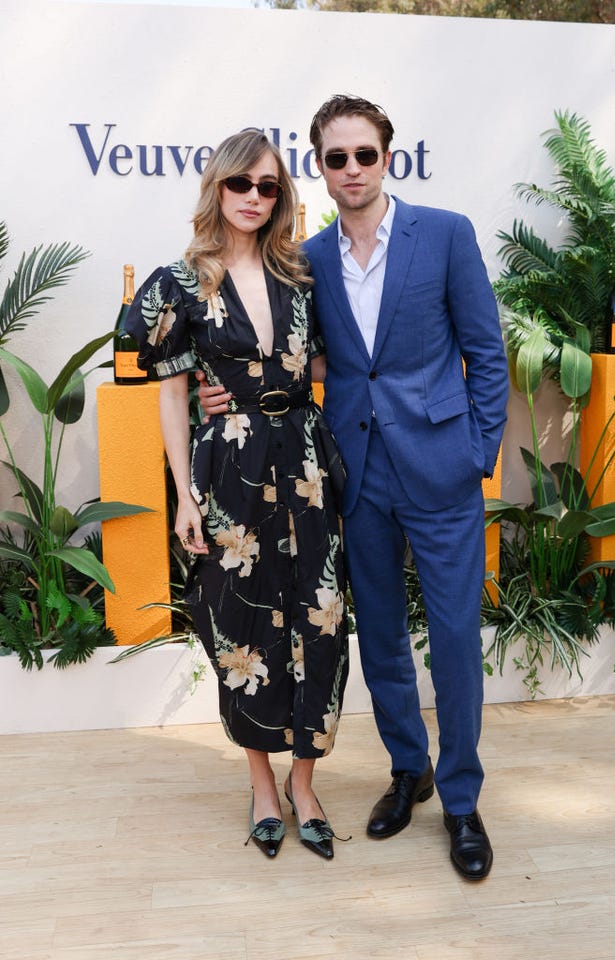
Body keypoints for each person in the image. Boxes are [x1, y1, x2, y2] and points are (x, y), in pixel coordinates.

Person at [198, 97, 509, 880]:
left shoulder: (444, 234)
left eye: (364, 155)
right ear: (322, 169)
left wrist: (477, 451)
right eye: (335, 159)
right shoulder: (308, 258)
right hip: (358, 477)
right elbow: (311, 360)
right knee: (381, 641)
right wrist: (228, 389)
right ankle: (411, 772)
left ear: (387, 158)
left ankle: (464, 802)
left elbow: (486, 350)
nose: (352, 171)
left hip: (442, 472)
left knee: (455, 642)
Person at [126, 129, 349, 862]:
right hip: (230, 472)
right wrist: (186, 497)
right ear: (216, 187)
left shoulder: (303, 273)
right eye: (241, 184)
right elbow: (170, 395)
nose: (255, 197)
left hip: (306, 466)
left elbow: (323, 360)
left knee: (319, 619)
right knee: (240, 626)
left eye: (269, 186)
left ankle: (307, 784)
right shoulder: (179, 283)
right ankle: (262, 783)